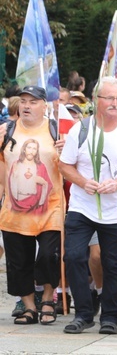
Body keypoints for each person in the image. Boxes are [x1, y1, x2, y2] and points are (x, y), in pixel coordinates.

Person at [59, 77, 117, 335]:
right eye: (109, 98)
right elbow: (65, 165)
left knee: (112, 262)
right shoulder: (81, 129)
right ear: (97, 100)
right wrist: (83, 182)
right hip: (81, 206)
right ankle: (84, 314)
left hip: (115, 209)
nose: (115, 103)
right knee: (73, 256)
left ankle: (109, 316)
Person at [0, 86, 65, 325]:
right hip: (14, 210)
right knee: (18, 261)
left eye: (33, 102)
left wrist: (66, 151)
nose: (27, 106)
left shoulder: (55, 131)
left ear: (44, 105)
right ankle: (29, 307)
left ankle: (48, 298)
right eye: (23, 101)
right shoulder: (6, 131)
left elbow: (71, 165)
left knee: (49, 255)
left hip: (50, 209)